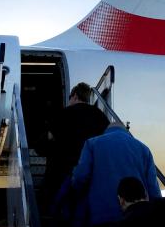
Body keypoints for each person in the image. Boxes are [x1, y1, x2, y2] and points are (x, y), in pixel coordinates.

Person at [71, 123, 162, 227]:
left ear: (106, 131)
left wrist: (76, 192)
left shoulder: (92, 144)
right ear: (126, 131)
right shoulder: (143, 148)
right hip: (134, 218)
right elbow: (153, 188)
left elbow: (80, 176)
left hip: (100, 216)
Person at [36, 82, 110, 212]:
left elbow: (43, 145)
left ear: (75, 96)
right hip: (91, 178)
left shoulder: (63, 114)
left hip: (61, 175)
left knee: (59, 214)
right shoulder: (101, 117)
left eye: (70, 97)